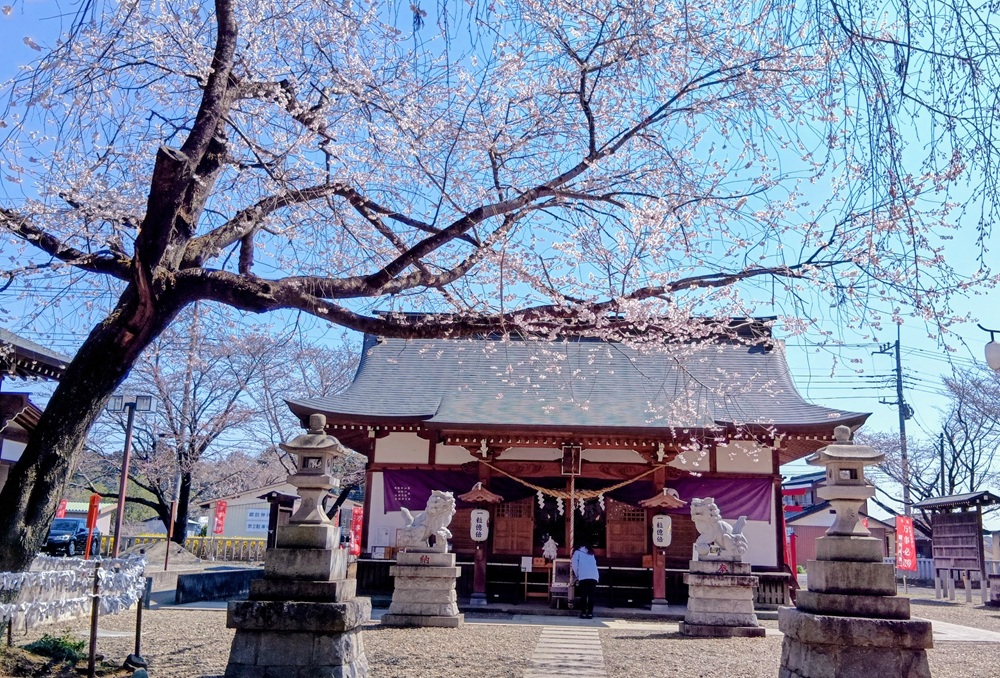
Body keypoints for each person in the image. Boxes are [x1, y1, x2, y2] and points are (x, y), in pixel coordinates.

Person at [571, 543, 599, 619]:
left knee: (583, 595)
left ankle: (583, 612)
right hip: (593, 576)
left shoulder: (577, 552)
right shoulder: (591, 552)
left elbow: (574, 564)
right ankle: (590, 613)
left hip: (583, 575)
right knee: (591, 595)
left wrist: (577, 574)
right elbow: (594, 564)